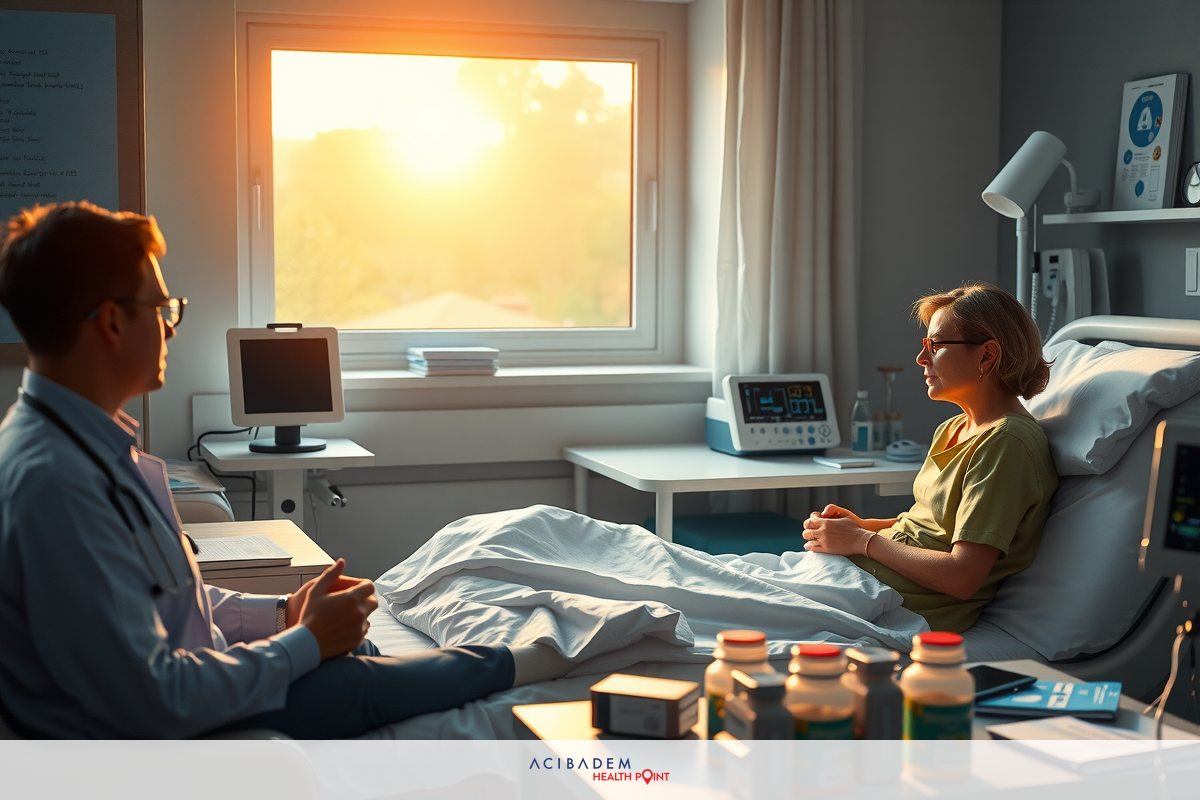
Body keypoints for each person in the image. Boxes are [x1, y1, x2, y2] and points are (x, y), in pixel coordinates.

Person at [0, 202, 567, 739]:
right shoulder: (56, 484)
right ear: (111, 323)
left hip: (190, 685)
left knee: (355, 659)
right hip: (162, 733)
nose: (171, 328)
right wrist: (305, 643)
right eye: (162, 308)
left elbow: (165, 602)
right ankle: (526, 666)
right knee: (353, 683)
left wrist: (282, 614)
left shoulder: (81, 447)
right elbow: (154, 698)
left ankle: (496, 664)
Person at [800, 282, 1058, 633]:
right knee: (719, 578)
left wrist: (860, 541)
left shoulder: (1006, 443)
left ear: (987, 355)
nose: (921, 358)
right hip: (863, 579)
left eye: (935, 345)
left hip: (897, 604)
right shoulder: (953, 428)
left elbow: (961, 576)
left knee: (724, 602)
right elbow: (929, 528)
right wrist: (860, 526)